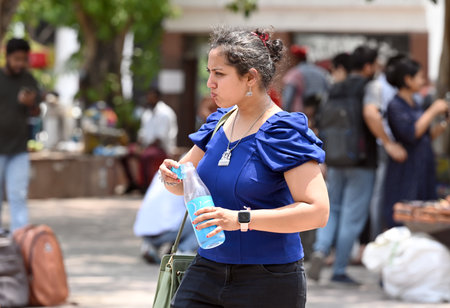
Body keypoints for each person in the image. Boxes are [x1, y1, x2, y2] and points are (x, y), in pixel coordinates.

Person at [159, 26, 329, 308]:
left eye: (219, 74)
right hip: (206, 269)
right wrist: (171, 176)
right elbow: (180, 185)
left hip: (269, 279)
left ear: (251, 77)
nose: (209, 83)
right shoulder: (218, 123)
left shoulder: (283, 131)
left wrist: (240, 220)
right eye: (209, 72)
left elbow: (317, 212)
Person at [309, 45, 406, 284]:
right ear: (368, 66)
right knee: (352, 216)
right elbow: (372, 114)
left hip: (335, 158)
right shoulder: (370, 86)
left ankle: (321, 250)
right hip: (362, 160)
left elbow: (320, 123)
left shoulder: (334, 87)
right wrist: (387, 142)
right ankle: (339, 269)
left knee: (332, 210)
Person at [383, 57, 449, 228]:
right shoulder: (395, 105)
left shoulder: (416, 103)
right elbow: (411, 133)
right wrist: (433, 111)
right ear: (407, 79)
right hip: (406, 169)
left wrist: (443, 125)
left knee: (425, 211)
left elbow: (425, 136)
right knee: (405, 211)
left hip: (423, 165)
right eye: (419, 77)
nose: (423, 81)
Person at [0, 38, 41, 232]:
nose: (20, 64)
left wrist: (31, 104)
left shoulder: (28, 79)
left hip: (18, 149)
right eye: (16, 59)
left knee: (18, 195)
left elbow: (37, 112)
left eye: (23, 59)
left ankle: (21, 238)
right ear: (6, 57)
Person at [121, 87, 177, 193]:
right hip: (147, 146)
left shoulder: (165, 113)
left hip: (162, 148)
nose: (148, 99)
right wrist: (139, 146)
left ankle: (146, 186)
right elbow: (142, 133)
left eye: (151, 97)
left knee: (146, 156)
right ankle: (133, 183)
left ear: (157, 98)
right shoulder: (147, 113)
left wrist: (143, 149)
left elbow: (159, 138)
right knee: (126, 153)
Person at [133, 172, 198, 263]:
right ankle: (182, 251)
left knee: (177, 215)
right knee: (201, 219)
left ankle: (150, 246)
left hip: (144, 231)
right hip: (167, 231)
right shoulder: (192, 175)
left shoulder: (163, 171)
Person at [281, 44, 330, 129]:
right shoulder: (321, 73)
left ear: (296, 58)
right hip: (320, 119)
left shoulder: (294, 74)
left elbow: (287, 100)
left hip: (299, 120)